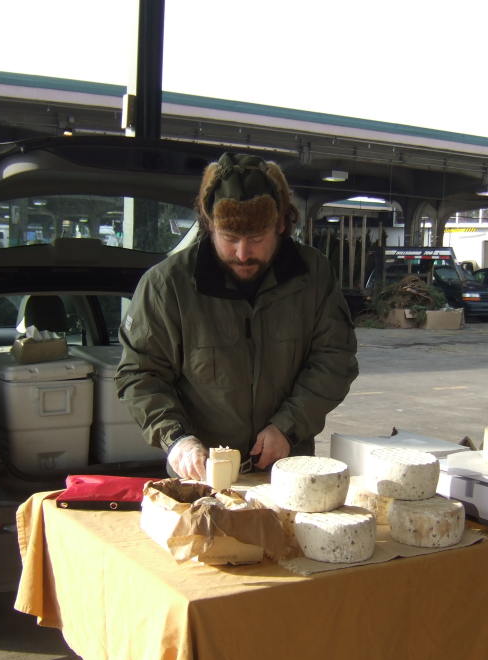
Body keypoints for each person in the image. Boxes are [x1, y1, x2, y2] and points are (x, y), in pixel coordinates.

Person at [116, 152, 359, 480]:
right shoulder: (167, 285)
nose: (243, 254)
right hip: (199, 473)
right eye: (230, 239)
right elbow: (140, 373)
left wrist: (287, 427)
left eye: (257, 239)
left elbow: (335, 360)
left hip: (287, 469)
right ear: (209, 225)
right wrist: (176, 439)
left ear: (282, 225)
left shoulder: (312, 276)